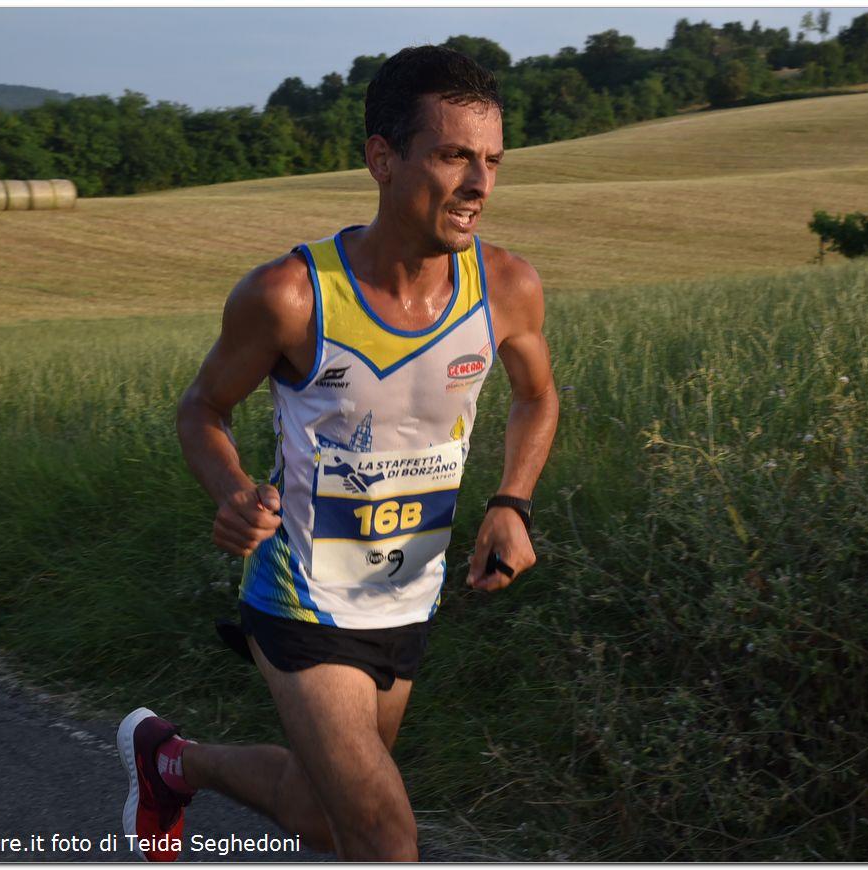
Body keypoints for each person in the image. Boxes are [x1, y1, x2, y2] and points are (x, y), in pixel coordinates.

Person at [117, 45, 558, 862]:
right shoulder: (289, 295)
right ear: (382, 159)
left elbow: (537, 395)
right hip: (302, 600)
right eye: (453, 156)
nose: (480, 185)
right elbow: (202, 407)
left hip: (407, 596)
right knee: (386, 838)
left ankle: (173, 763)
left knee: (323, 816)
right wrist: (232, 488)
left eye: (493, 161)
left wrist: (512, 501)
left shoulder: (506, 287)